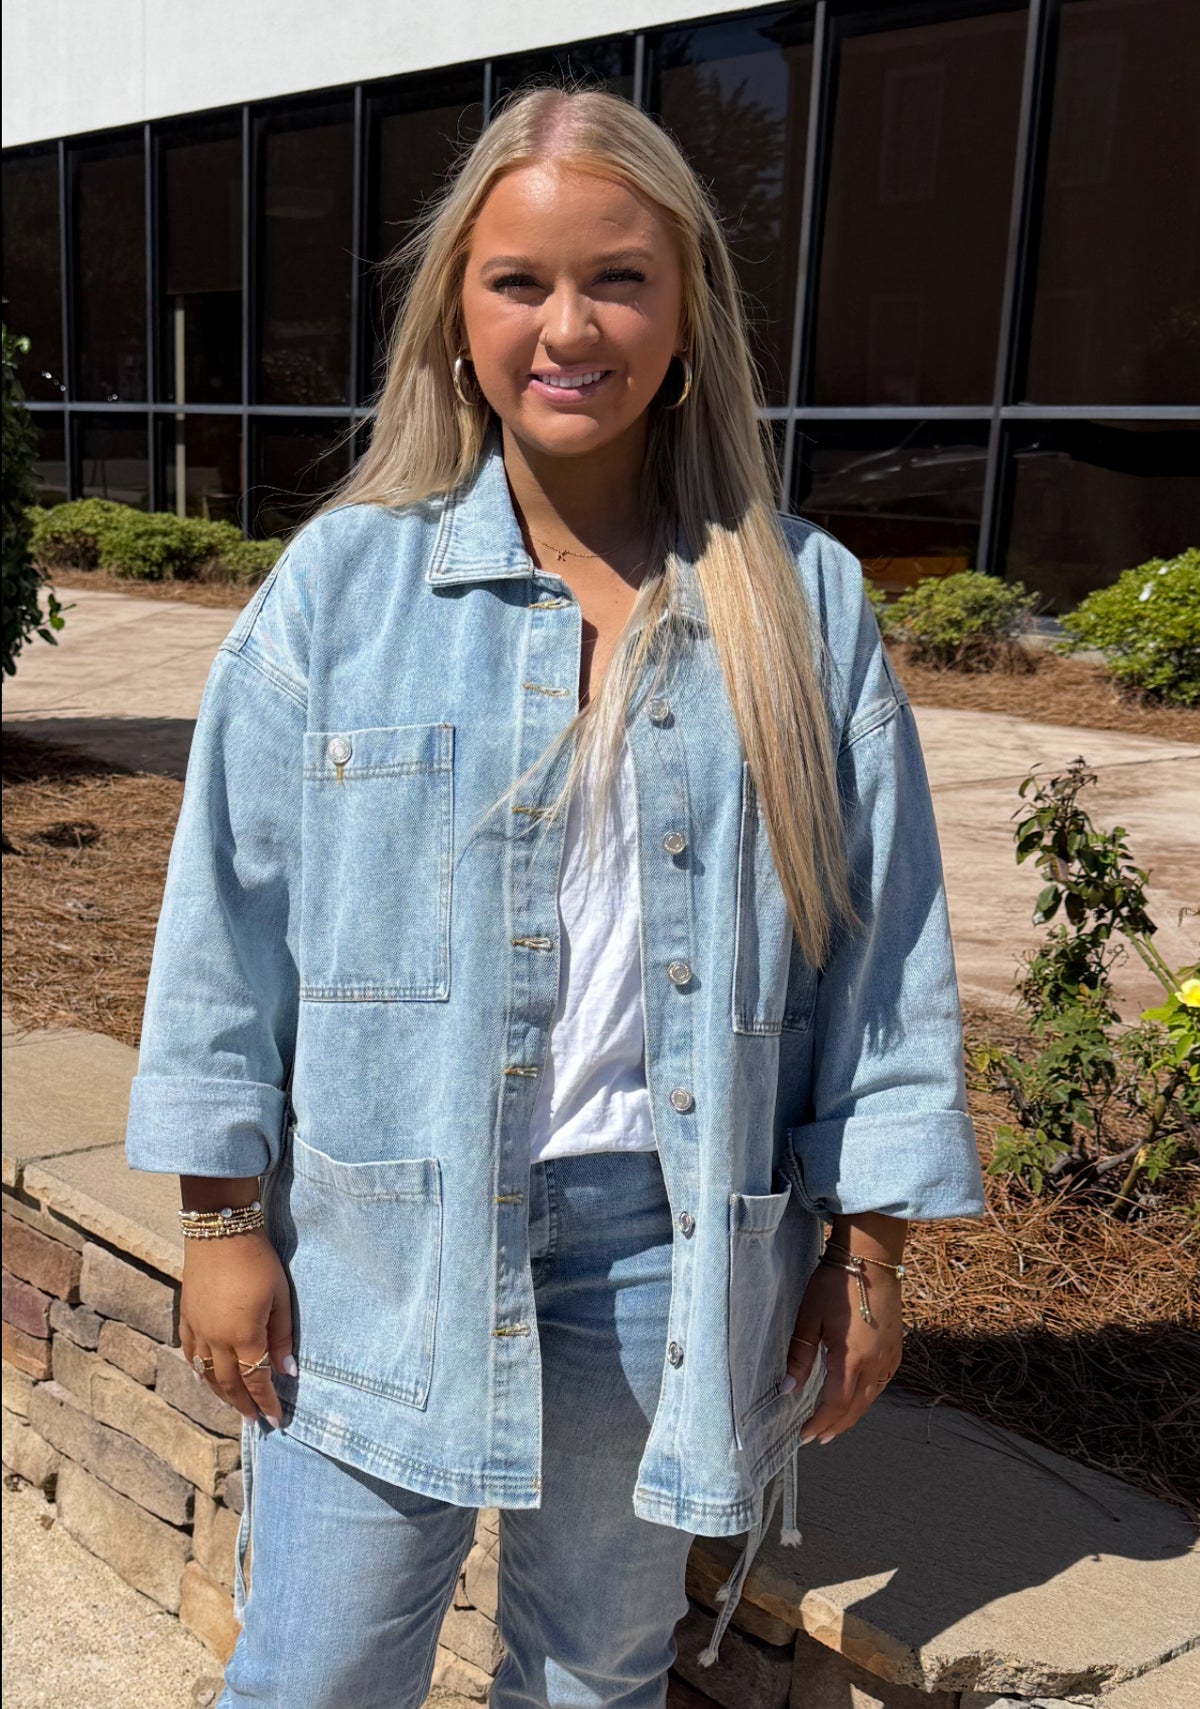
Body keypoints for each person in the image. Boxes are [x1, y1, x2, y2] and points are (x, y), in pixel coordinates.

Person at [124, 84, 984, 1709]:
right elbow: (226, 924)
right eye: (519, 280)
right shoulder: (344, 588)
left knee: (591, 1678)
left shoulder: (800, 601)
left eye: (618, 279)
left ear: (687, 311)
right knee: (315, 1674)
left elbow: (882, 958)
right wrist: (221, 1220)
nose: (568, 328)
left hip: (668, 1254)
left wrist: (866, 1250)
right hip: (382, 1242)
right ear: (460, 313)